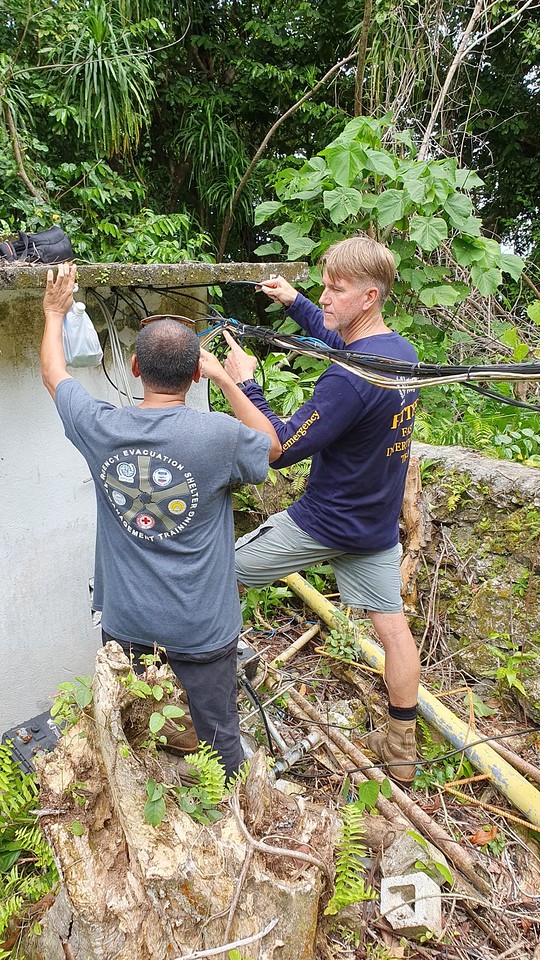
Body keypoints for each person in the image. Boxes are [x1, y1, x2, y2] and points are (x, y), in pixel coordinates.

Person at [41, 263, 281, 779]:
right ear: (195, 374)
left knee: (134, 734)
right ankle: (233, 817)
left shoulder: (102, 428)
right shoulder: (219, 437)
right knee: (222, 740)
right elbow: (274, 444)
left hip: (127, 624)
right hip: (202, 627)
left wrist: (53, 312)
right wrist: (230, 379)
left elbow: (54, 375)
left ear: (133, 367)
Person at [200, 236, 421, 783]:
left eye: (335, 289)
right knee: (392, 629)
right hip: (375, 525)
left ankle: (204, 712)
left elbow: (279, 448)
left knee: (218, 572)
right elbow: (338, 341)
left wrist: (235, 379)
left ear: (368, 296)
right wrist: (294, 301)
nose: (325, 296)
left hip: (322, 522)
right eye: (323, 285)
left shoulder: (346, 383)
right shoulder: (399, 354)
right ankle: (403, 749)